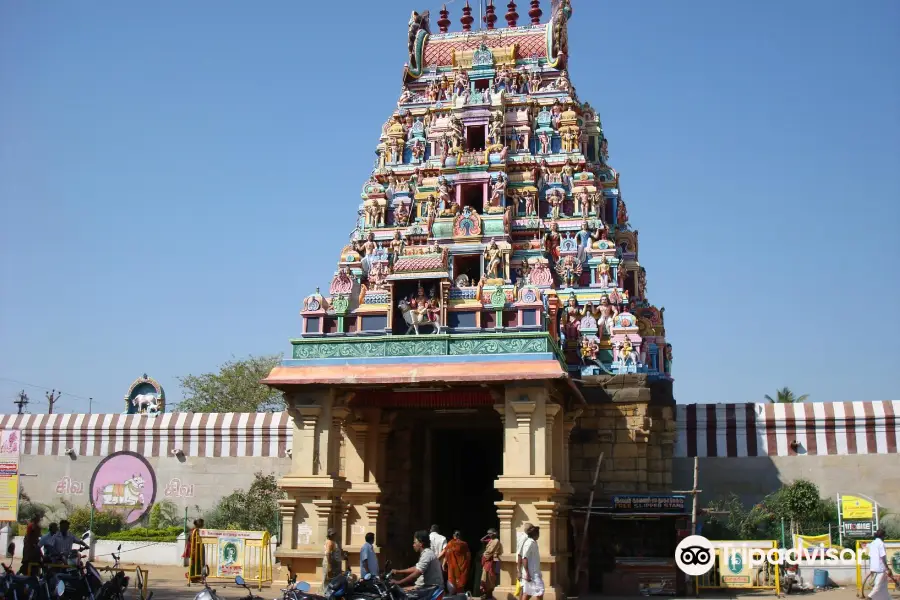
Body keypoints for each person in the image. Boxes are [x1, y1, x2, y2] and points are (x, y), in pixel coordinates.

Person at [867, 528, 898, 600]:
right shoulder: (881, 544)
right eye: (884, 536)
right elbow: (883, 557)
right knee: (877, 586)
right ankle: (869, 597)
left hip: (874, 568)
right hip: (881, 568)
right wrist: (887, 568)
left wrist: (871, 569)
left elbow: (870, 557)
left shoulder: (872, 543)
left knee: (883, 586)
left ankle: (888, 598)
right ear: (882, 536)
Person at [441, 530, 470, 594]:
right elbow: (468, 556)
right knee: (460, 586)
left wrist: (443, 564)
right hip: (462, 567)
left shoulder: (450, 543)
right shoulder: (464, 544)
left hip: (452, 568)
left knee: (452, 585)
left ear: (453, 536)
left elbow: (446, 554)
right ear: (460, 536)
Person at [520, 525, 543, 600]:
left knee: (528, 593)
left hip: (535, 572)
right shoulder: (529, 543)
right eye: (538, 533)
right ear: (534, 534)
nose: (539, 535)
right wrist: (527, 573)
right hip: (531, 574)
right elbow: (524, 558)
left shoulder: (534, 542)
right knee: (540, 592)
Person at [479, 528, 503, 599]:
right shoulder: (491, 540)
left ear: (495, 533)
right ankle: (486, 594)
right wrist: (487, 535)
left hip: (491, 562)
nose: (489, 535)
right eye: (488, 533)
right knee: (484, 578)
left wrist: (484, 557)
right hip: (487, 561)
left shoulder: (496, 541)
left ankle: (489, 595)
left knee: (490, 578)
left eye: (490, 533)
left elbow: (490, 552)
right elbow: (481, 540)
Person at [184, 519, 206, 583]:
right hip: (195, 550)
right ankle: (192, 577)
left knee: (199, 564)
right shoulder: (193, 531)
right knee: (194, 564)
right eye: (202, 523)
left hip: (199, 550)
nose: (203, 525)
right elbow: (191, 541)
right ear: (200, 524)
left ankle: (197, 577)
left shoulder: (198, 531)